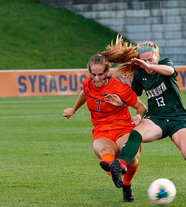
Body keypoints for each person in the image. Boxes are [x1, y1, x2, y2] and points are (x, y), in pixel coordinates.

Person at [103, 39, 186, 202]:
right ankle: (121, 164)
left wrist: (150, 66)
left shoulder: (165, 64)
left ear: (157, 57)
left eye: (150, 59)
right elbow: (133, 95)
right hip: (156, 119)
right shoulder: (139, 74)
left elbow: (169, 70)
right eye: (143, 61)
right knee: (136, 133)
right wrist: (121, 102)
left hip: (178, 119)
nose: (147, 64)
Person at [63, 41, 147, 203]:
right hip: (101, 129)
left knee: (131, 157)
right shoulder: (88, 83)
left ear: (108, 71)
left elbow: (141, 107)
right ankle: (116, 173)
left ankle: (126, 185)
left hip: (123, 127)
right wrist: (73, 109)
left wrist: (137, 115)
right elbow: (84, 93)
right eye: (92, 74)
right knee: (105, 152)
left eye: (100, 74)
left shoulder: (121, 88)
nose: (96, 78)